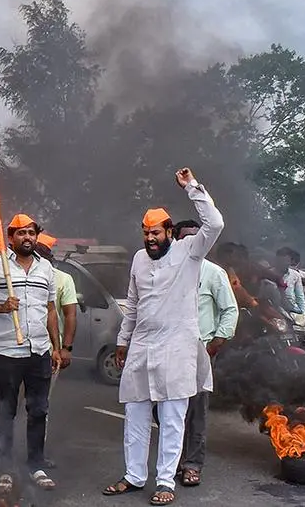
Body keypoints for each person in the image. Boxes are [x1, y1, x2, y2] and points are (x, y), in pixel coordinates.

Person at [102, 167, 222, 506]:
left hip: (177, 347)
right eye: (146, 234)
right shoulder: (140, 259)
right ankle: (134, 476)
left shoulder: (189, 251)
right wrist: (123, 342)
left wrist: (192, 188)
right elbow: (134, 305)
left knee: (172, 418)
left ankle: (165, 481)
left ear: (169, 231)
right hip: (141, 346)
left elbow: (215, 224)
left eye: (155, 233)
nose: (150, 239)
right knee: (136, 415)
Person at [0, 213, 64, 495]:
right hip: (6, 351)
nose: (27, 238)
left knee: (38, 409)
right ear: (11, 238)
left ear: (36, 235)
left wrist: (55, 346)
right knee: (6, 410)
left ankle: (36, 465)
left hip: (39, 350)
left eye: (31, 233)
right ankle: (5, 468)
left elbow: (50, 311)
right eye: (21, 233)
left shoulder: (46, 269)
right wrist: (0, 307)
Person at [164, 219, 236, 489]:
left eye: (197, 237)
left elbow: (230, 309)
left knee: (195, 411)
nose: (192, 242)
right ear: (175, 239)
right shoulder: (166, 269)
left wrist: (216, 342)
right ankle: (170, 463)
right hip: (167, 349)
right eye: (185, 238)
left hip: (199, 351)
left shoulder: (213, 272)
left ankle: (192, 464)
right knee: (168, 410)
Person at [35, 233, 78, 470]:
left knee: (41, 404)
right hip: (18, 352)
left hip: (50, 352)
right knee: (15, 405)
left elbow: (70, 314)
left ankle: (36, 455)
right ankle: (10, 455)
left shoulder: (62, 279)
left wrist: (66, 348)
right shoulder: (17, 275)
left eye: (45, 254)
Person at [274, 247, 305, 325]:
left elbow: (300, 296)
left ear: (290, 261)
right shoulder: (269, 274)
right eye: (281, 261)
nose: (283, 263)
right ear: (277, 261)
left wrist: (303, 313)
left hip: (293, 310)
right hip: (276, 310)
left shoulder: (295, 275)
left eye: (286, 261)